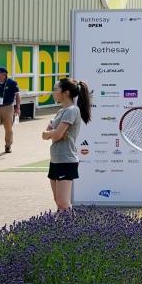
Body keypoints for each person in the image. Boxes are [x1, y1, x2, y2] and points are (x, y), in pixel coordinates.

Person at [41, 78, 90, 210]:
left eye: (56, 89)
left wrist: (52, 133)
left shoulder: (72, 110)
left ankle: (72, 224)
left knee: (63, 203)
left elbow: (56, 135)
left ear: (66, 92)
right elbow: (45, 134)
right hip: (55, 160)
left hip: (66, 160)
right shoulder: (60, 112)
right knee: (59, 202)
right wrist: (52, 133)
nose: (53, 92)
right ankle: (63, 224)